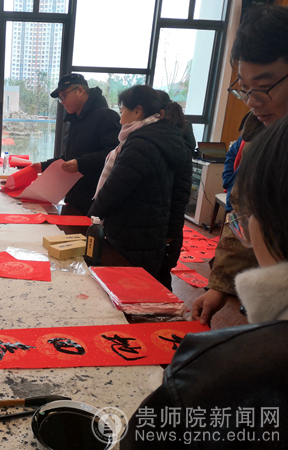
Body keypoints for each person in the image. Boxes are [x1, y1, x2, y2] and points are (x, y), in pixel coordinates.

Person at [121, 114, 288, 450]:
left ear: (270, 219)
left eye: (243, 219)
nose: (252, 101)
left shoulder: (227, 364)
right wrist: (220, 285)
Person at [192, 5, 288, 325]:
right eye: (245, 89)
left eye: (264, 86)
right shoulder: (259, 133)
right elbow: (243, 214)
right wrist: (220, 285)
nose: (252, 101)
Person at [88, 85, 185, 277]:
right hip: (152, 229)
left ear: (137, 111)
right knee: (147, 282)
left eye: (122, 110)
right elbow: (180, 195)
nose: (120, 118)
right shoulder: (167, 138)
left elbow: (114, 190)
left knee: (127, 282)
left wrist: (90, 219)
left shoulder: (140, 144)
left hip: (131, 232)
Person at [31, 73, 121, 215]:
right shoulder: (74, 120)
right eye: (60, 98)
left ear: (80, 90)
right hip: (73, 198)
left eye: (64, 96)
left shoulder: (106, 116)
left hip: (94, 201)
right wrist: (42, 166)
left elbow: (113, 156)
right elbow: (69, 158)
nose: (62, 102)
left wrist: (80, 163)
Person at [155, 90, 195, 290]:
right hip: (160, 227)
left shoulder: (177, 147)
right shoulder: (167, 141)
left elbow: (179, 196)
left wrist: (171, 233)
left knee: (160, 280)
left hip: (166, 229)